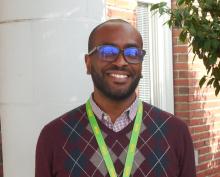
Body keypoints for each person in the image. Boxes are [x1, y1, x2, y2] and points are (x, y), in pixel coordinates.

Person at [35, 19, 196, 177]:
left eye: (132, 53)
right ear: (88, 63)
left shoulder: (175, 132)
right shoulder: (54, 136)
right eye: (108, 52)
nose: (120, 62)